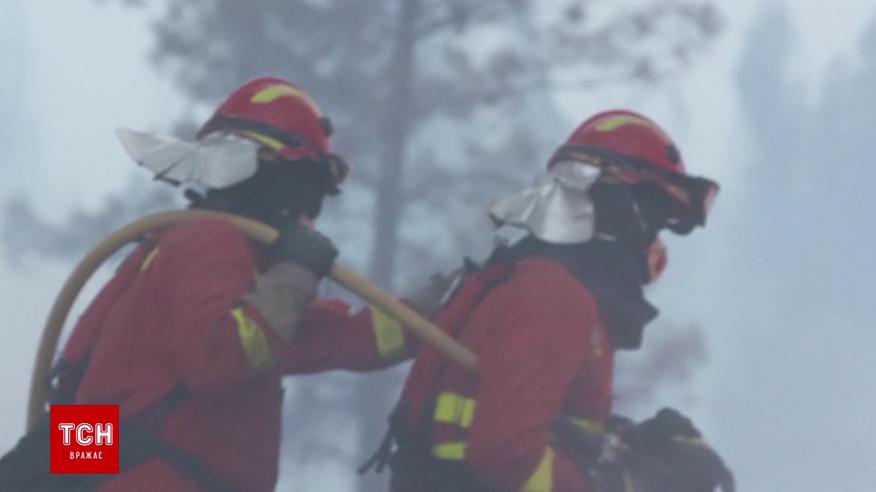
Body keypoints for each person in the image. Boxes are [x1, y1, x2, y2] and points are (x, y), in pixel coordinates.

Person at [1, 76, 356, 492]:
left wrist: (420, 313)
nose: (305, 216)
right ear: (279, 178)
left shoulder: (197, 251)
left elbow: (323, 338)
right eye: (307, 191)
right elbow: (221, 359)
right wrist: (294, 273)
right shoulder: (215, 241)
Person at [347, 109, 732, 491]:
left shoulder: (548, 284)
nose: (654, 244)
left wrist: (636, 447)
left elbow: (540, 419)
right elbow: (505, 453)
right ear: (622, 206)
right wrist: (619, 485)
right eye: (656, 219)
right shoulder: (555, 296)